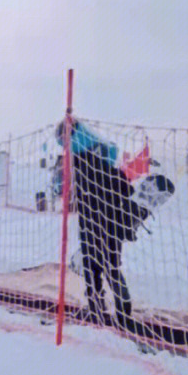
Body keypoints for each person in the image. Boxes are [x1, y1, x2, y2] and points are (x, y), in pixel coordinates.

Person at [58, 121, 146, 325]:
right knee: (109, 269)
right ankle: (121, 314)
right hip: (107, 228)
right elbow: (126, 190)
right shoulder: (107, 170)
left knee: (95, 270)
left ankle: (98, 309)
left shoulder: (81, 167)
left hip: (92, 227)